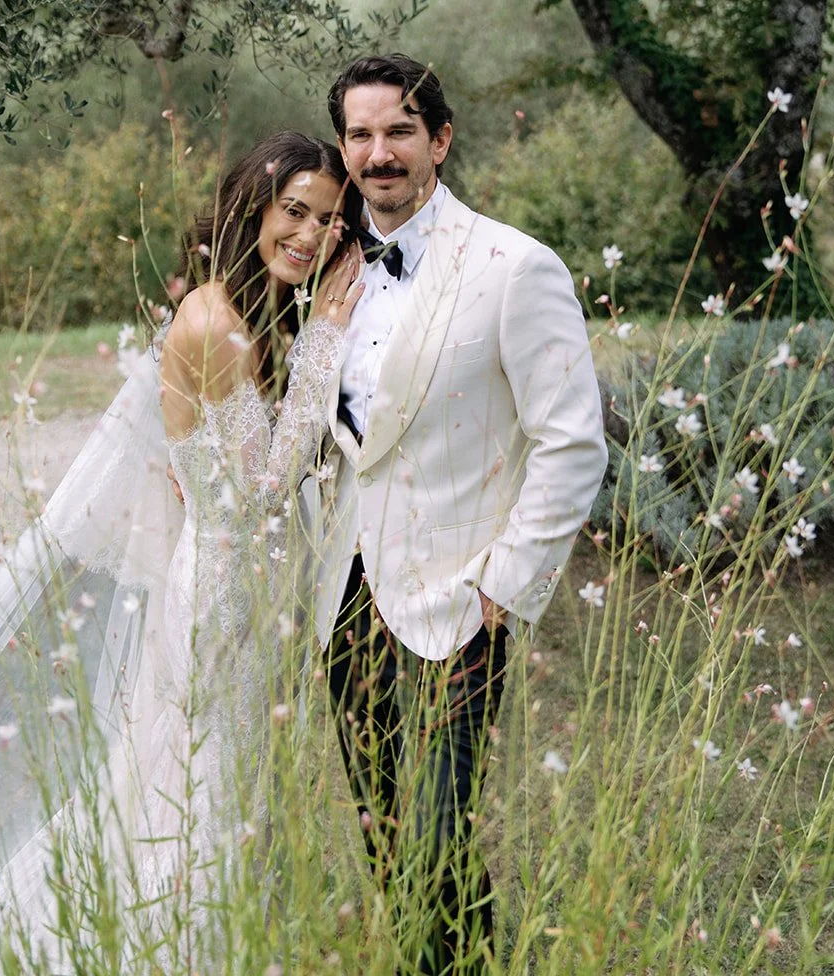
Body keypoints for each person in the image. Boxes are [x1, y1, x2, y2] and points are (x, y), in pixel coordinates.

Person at [0, 130, 362, 975]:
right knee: (204, 805)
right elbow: (267, 489)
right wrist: (325, 338)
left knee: (208, 799)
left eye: (331, 223)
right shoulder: (216, 322)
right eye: (296, 212)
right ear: (253, 208)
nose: (311, 236)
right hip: (223, 603)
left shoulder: (248, 312)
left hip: (250, 595)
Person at [309, 54, 607, 975]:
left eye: (399, 130)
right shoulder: (323, 260)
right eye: (359, 134)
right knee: (388, 836)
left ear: (439, 140)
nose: (378, 152)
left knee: (439, 830)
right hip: (342, 590)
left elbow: (572, 442)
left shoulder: (516, 267)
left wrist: (506, 586)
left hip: (460, 597)